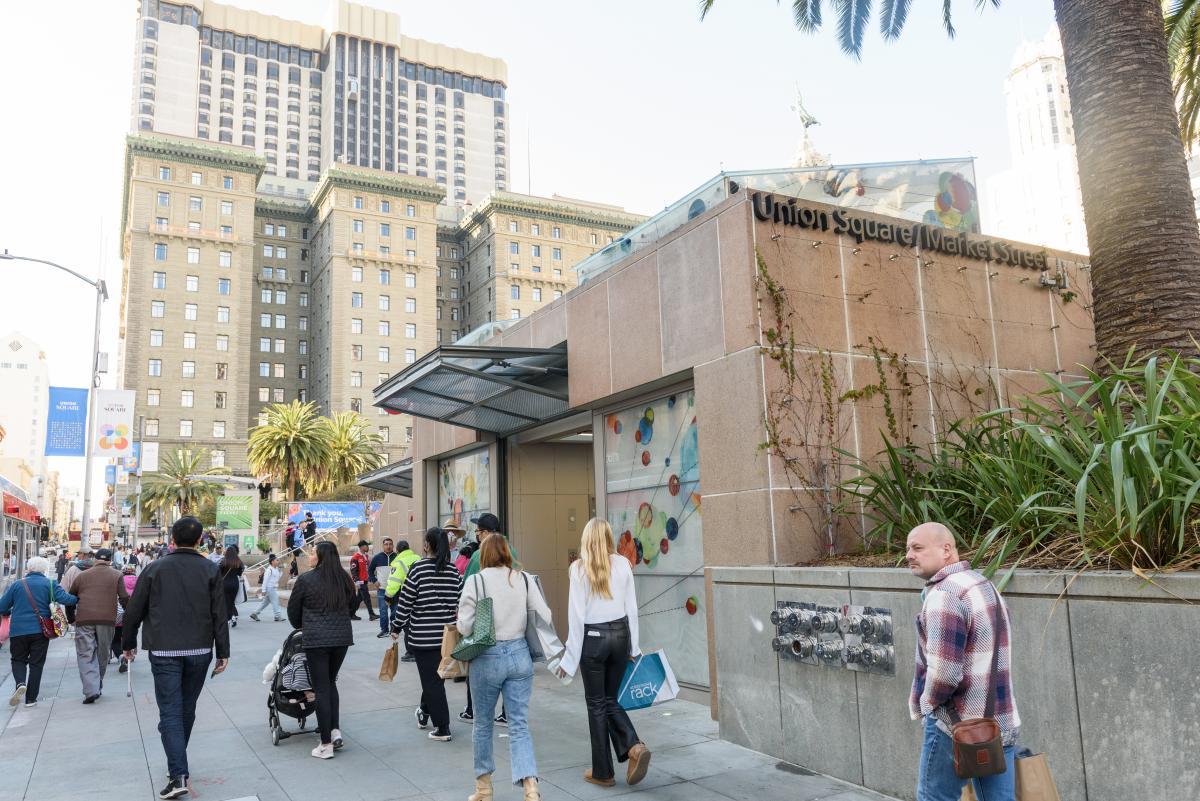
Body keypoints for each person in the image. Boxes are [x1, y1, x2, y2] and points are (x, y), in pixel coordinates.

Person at [906, 522, 1020, 801]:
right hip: (1000, 720)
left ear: (946, 550)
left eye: (918, 548)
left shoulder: (945, 595)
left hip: (956, 724)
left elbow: (944, 674)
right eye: (908, 548)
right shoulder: (983, 584)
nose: (909, 555)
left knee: (934, 797)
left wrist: (927, 706)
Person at [122, 516, 231, 800]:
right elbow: (220, 614)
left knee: (170, 712)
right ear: (200, 540)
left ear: (172, 538)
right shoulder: (210, 569)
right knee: (186, 708)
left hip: (164, 650)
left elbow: (134, 609)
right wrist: (223, 653)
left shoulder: (154, 568)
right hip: (199, 650)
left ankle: (178, 772)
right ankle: (177, 764)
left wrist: (128, 643)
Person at [556, 518, 651, 788]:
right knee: (610, 700)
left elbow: (576, 617)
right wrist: (634, 647)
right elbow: (631, 607)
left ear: (586, 539)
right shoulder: (622, 564)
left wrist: (569, 659)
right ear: (609, 537)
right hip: (621, 637)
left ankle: (606, 770)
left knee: (597, 704)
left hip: (593, 640)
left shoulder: (578, 569)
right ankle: (632, 747)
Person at [457, 535, 550, 801]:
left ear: (484, 555)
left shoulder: (476, 581)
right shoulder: (523, 579)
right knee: (519, 724)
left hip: (487, 656)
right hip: (520, 654)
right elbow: (546, 615)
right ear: (507, 553)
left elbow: (463, 626)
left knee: (483, 724)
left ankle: (484, 789)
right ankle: (530, 786)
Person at [390, 528, 462, 742]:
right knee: (435, 678)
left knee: (432, 682)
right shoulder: (453, 571)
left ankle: (443, 727)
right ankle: (424, 711)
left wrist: (396, 627)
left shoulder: (418, 568)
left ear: (427, 545)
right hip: (447, 636)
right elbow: (460, 599)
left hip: (423, 635)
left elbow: (406, 601)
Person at [287, 540, 357, 759]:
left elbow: (293, 611)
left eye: (312, 552)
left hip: (317, 640)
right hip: (341, 639)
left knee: (321, 688)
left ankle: (325, 744)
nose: (309, 555)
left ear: (320, 557)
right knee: (330, 682)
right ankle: (334, 730)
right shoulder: (344, 579)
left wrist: (304, 624)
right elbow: (353, 605)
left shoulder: (306, 580)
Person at [0, 556, 77, 707]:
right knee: (36, 664)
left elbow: (2, 606)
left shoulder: (17, 585)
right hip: (41, 631)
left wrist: (9, 612)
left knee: (18, 659)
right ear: (44, 569)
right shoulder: (50, 583)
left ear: (28, 568)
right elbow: (67, 599)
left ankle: (20, 683)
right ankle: (30, 699)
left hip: (18, 631)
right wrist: (79, 597)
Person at [460, 514, 515, 724]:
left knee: (477, 673)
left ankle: (472, 710)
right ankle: (505, 713)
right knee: (509, 679)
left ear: (484, 533)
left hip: (486, 626)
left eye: (478, 531)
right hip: (512, 628)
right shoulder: (512, 550)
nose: (477, 535)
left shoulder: (479, 555)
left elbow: (467, 589)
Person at [69, 547, 128, 704]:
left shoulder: (82, 576)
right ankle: (98, 683)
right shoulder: (117, 575)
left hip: (84, 619)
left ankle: (91, 689)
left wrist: (70, 618)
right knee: (103, 653)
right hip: (107, 620)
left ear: (95, 560)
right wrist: (130, 616)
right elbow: (124, 597)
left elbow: (70, 598)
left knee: (85, 654)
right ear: (110, 561)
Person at [383, 538, 421, 660]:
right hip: (422, 595)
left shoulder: (398, 562)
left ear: (398, 550)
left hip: (407, 597)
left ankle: (411, 652)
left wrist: (388, 596)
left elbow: (394, 582)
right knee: (418, 624)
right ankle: (419, 650)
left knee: (406, 625)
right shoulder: (418, 558)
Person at [369, 538, 396, 638]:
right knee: (383, 612)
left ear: (393, 546)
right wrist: (374, 580)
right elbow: (370, 571)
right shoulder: (377, 558)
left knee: (394, 611)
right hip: (382, 589)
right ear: (383, 546)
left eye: (390, 544)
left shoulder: (397, 557)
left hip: (395, 590)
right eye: (386, 544)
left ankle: (394, 630)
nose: (388, 546)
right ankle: (384, 630)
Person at [116, 564, 139, 672]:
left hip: (120, 610)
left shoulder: (119, 580)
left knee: (117, 635)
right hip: (134, 610)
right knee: (132, 632)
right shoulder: (139, 580)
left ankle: (121, 655)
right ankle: (132, 651)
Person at [250, 554, 284, 622]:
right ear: (272, 562)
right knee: (275, 600)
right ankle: (277, 616)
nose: (278, 561)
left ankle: (255, 613)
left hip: (273, 587)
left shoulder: (276, 569)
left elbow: (277, 578)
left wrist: (280, 571)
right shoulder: (269, 570)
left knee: (265, 603)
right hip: (270, 588)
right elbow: (265, 581)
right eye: (276, 560)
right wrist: (263, 590)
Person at [349, 540, 377, 621]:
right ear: (361, 547)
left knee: (359, 599)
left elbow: (367, 568)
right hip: (360, 581)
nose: (367, 547)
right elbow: (353, 570)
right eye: (366, 546)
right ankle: (371, 614)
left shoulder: (366, 556)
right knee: (367, 597)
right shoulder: (355, 557)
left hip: (365, 580)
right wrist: (356, 581)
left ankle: (351, 614)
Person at [219, 545, 244, 628]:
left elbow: (218, 572)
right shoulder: (238, 562)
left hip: (225, 583)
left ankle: (230, 618)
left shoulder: (223, 561)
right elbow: (240, 573)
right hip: (235, 583)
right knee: (231, 601)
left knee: (226, 602)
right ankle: (232, 617)